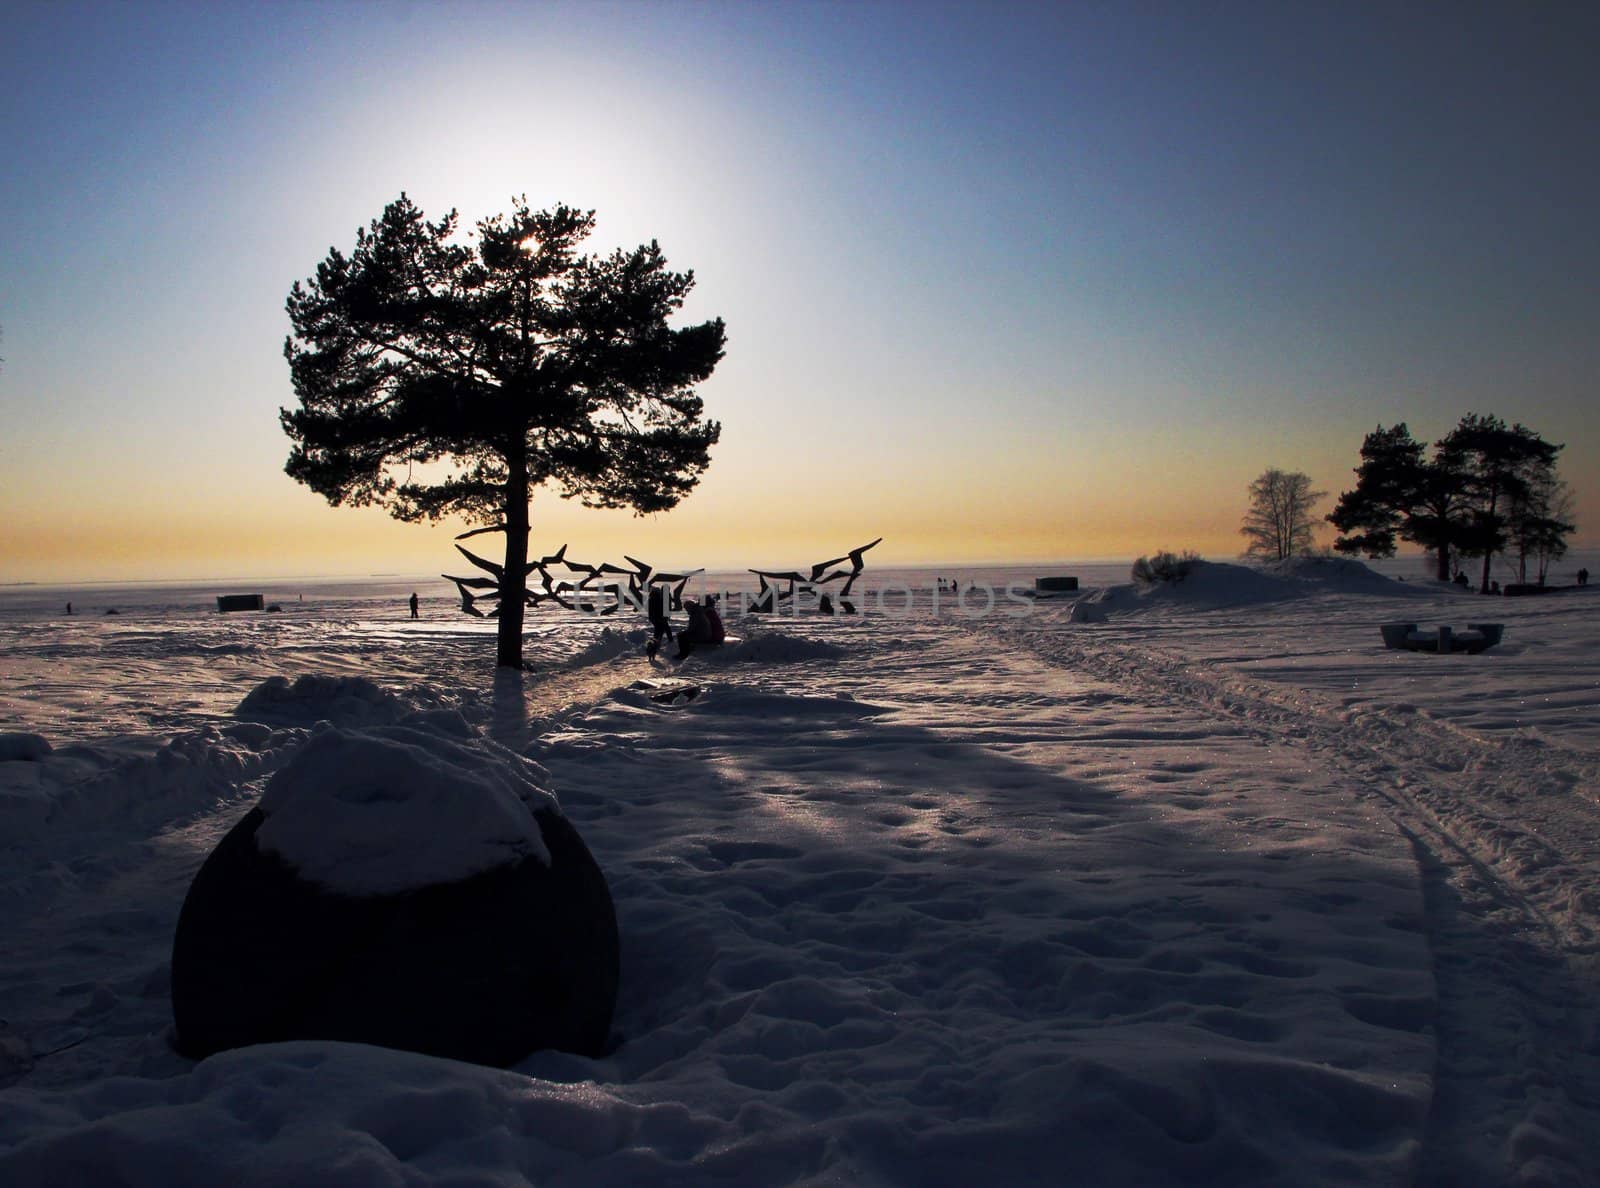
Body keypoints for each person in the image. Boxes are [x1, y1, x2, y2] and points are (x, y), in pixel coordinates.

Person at [646, 584, 674, 658]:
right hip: (659, 616)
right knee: (661, 629)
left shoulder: (655, 596)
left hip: (655, 616)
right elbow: (662, 607)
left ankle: (656, 644)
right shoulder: (659, 597)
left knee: (660, 629)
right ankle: (656, 644)